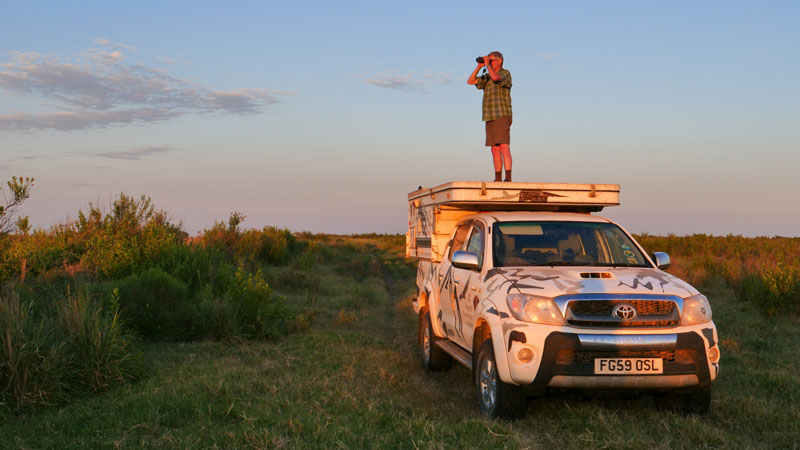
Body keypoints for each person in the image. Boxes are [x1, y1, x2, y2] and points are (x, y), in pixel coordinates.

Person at [467, 51, 513, 182]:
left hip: (502, 114)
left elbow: (497, 78)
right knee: (494, 149)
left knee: (504, 146)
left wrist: (487, 65)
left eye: (492, 60)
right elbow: (470, 81)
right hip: (490, 115)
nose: (490, 62)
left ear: (499, 61)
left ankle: (508, 178)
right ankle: (497, 178)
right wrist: (479, 67)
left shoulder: (505, 73)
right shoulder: (487, 76)